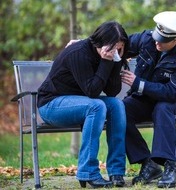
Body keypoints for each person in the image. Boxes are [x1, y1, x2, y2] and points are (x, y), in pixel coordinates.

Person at [37, 21, 129, 188]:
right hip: (52, 104)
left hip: (80, 103)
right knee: (97, 106)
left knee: (116, 105)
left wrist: (116, 61)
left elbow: (112, 91)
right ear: (100, 43)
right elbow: (92, 92)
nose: (115, 52)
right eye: (113, 48)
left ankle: (116, 172)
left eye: (119, 48)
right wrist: (107, 62)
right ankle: (88, 172)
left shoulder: (111, 55)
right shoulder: (79, 53)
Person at [121, 11, 176, 188]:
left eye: (162, 40)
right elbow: (120, 42)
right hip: (145, 100)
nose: (157, 42)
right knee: (119, 110)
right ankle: (147, 164)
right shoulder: (147, 39)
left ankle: (171, 167)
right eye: (157, 36)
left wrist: (139, 84)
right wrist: (87, 43)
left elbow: (172, 92)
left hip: (173, 103)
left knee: (163, 108)